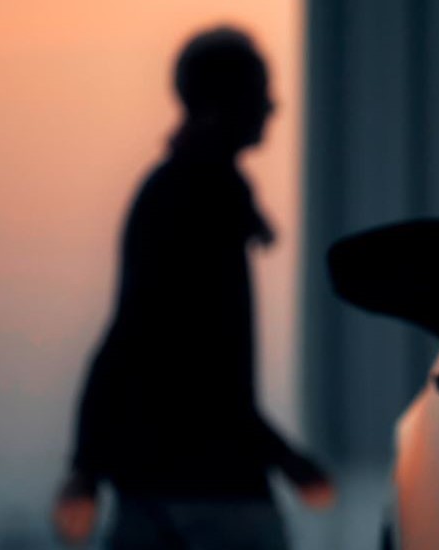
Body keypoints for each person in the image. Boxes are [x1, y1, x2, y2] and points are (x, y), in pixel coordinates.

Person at [53, 27, 333, 549]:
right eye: (259, 92)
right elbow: (185, 357)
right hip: (211, 498)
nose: (272, 106)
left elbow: (136, 337)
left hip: (155, 489)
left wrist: (87, 465)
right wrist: (285, 458)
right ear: (225, 104)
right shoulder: (198, 201)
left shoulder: (188, 192)